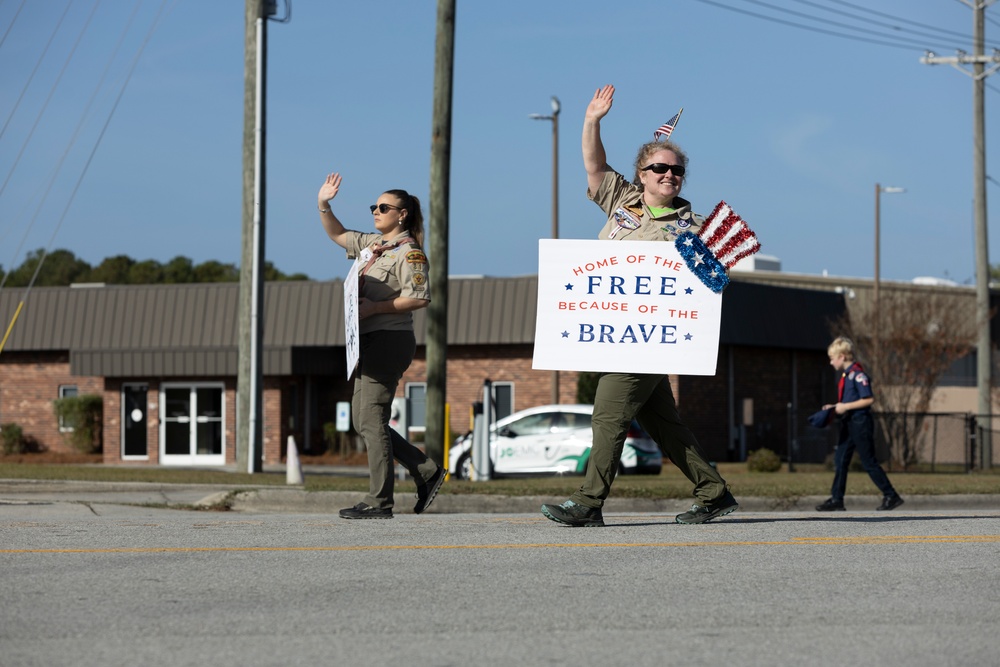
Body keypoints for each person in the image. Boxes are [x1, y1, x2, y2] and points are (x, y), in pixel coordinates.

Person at [540, 84, 739, 527]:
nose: (669, 175)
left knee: (608, 412)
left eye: (677, 171)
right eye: (660, 168)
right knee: (664, 425)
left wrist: (708, 268)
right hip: (615, 334)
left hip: (650, 340)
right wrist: (592, 120)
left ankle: (589, 502)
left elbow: (714, 282)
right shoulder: (621, 201)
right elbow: (593, 165)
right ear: (642, 173)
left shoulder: (695, 226)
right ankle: (714, 492)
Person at [317, 172, 445, 519]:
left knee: (372, 418)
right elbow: (339, 235)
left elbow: (418, 298)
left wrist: (374, 308)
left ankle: (379, 501)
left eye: (384, 207)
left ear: (402, 214)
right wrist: (324, 204)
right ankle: (427, 471)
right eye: (374, 206)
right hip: (368, 341)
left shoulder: (410, 253)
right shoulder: (373, 245)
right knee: (363, 419)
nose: (376, 210)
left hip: (390, 338)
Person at [816, 337, 904, 512]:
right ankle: (837, 499)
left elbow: (868, 399)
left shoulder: (858, 374)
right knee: (840, 460)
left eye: (832, 357)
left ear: (842, 356)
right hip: (849, 422)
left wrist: (845, 406)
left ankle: (891, 495)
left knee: (868, 461)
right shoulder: (846, 376)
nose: (831, 361)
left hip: (860, 422)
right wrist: (835, 407)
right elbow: (850, 400)